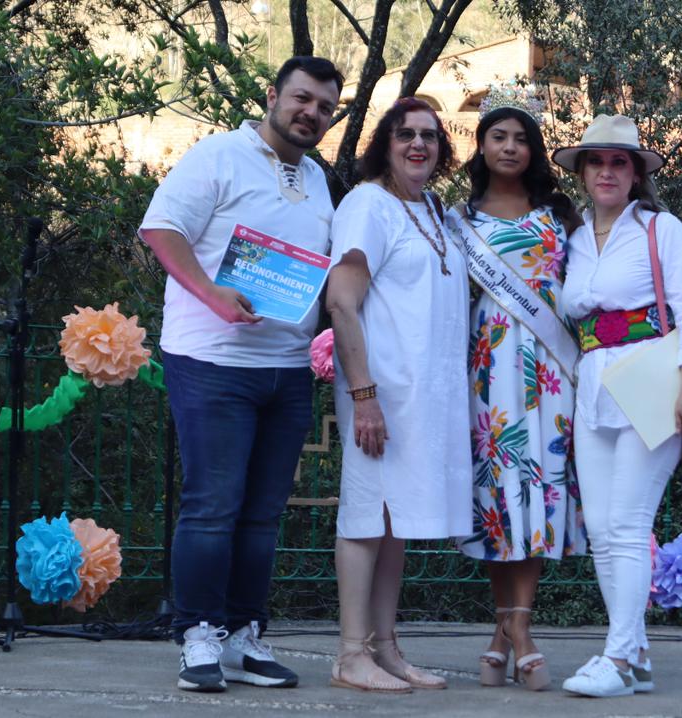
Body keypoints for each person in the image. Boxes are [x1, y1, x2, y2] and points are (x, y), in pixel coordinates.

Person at [138, 56, 344, 693]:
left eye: (325, 107)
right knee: (212, 506)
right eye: (302, 98)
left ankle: (243, 635)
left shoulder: (318, 178)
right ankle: (198, 635)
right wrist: (212, 295)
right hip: (212, 363)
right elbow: (160, 229)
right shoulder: (218, 155)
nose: (311, 113)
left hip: (287, 368)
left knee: (262, 514)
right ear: (273, 95)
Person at [552, 115, 682, 697]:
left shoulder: (660, 229)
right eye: (596, 161)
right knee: (601, 529)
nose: (606, 171)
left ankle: (619, 658)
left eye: (618, 162)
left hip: (653, 384)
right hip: (593, 389)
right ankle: (636, 656)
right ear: (581, 172)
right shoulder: (571, 239)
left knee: (627, 523)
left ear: (636, 173)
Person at [324, 97, 470, 693]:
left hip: (423, 400)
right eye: (405, 133)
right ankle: (349, 654)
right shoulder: (368, 204)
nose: (418, 144)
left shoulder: (434, 210)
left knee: (395, 523)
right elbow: (341, 303)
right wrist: (364, 396)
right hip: (378, 394)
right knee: (366, 517)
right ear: (385, 143)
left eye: (430, 136)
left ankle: (385, 650)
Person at [451, 86, 586, 691]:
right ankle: (515, 634)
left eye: (522, 138)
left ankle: (510, 632)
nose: (510, 147)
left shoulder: (559, 214)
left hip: (551, 370)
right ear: (481, 144)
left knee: (540, 488)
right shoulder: (457, 219)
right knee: (499, 493)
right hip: (488, 367)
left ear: (534, 149)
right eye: (499, 136)